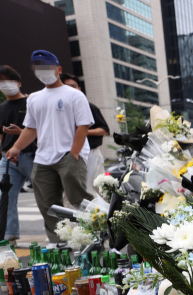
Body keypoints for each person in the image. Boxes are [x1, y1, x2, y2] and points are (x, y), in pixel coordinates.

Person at [6, 50, 94, 243]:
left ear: (59, 69)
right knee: (47, 204)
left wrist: (74, 153)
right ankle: (59, 243)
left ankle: (99, 230)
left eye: (46, 66)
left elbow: (83, 125)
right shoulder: (34, 98)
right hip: (43, 158)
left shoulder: (74, 95)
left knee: (78, 199)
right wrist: (16, 148)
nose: (42, 71)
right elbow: (31, 129)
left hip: (69, 155)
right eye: (38, 68)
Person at [0, 65, 37, 243]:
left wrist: (20, 132)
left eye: (8, 81)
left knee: (46, 195)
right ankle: (8, 237)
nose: (4, 85)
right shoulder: (1, 107)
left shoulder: (31, 102)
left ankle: (58, 236)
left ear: (19, 83)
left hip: (32, 156)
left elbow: (38, 129)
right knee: (4, 197)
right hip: (7, 159)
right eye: (1, 82)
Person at [59, 73, 110, 197]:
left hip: (91, 152)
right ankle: (73, 216)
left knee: (99, 188)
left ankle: (106, 214)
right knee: (68, 192)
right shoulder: (58, 108)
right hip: (66, 154)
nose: (70, 89)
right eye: (66, 86)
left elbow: (105, 130)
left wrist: (83, 131)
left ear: (79, 89)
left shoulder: (89, 106)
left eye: (73, 86)